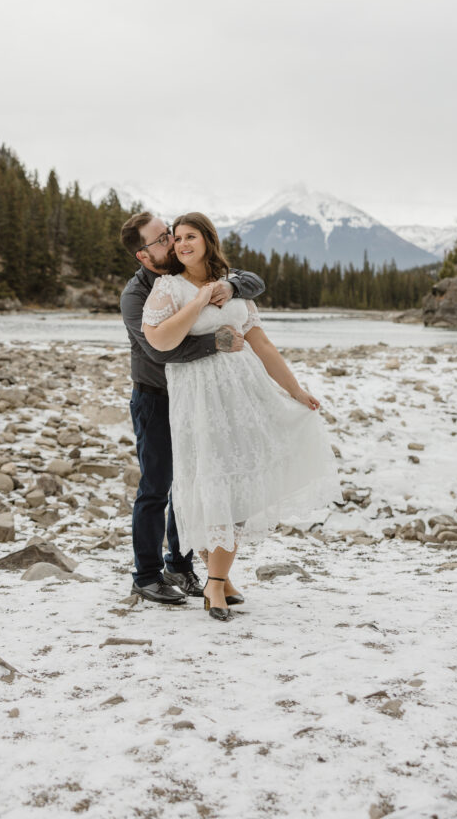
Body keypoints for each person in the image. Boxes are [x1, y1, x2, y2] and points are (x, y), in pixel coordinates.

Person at [142, 212, 341, 621]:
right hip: (196, 400)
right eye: (177, 238)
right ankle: (219, 579)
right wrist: (198, 301)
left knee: (235, 483)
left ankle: (218, 580)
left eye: (190, 236)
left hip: (242, 396)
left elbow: (262, 344)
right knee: (206, 483)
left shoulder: (233, 285)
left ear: (208, 239)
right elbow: (159, 341)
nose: (182, 244)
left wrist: (295, 390)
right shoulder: (167, 287)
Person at [119, 212, 266, 605]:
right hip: (155, 396)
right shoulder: (137, 295)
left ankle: (181, 566)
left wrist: (232, 286)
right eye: (161, 239)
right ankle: (146, 575)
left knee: (197, 481)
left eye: (170, 234)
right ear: (143, 255)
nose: (171, 242)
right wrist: (218, 342)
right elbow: (159, 348)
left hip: (199, 398)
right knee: (157, 486)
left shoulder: (198, 272)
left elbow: (254, 281)